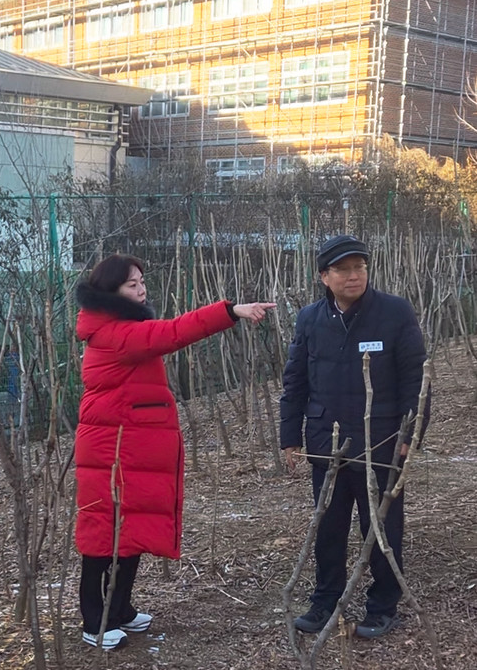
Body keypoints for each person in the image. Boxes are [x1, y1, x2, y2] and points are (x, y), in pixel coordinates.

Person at [75, 254, 274, 648]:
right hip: (110, 449)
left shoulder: (122, 327)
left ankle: (120, 610)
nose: (141, 289)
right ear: (111, 292)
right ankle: (94, 621)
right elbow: (174, 332)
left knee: (129, 528)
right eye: (132, 284)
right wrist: (230, 311)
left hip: (127, 445)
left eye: (142, 281)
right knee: (104, 535)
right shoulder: (117, 334)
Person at [280, 233, 428, 639]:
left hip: (380, 441)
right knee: (327, 526)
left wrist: (409, 434)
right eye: (343, 269)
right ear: (324, 276)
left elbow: (415, 379)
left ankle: (383, 605)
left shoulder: (394, 312)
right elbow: (295, 380)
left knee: (380, 528)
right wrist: (290, 435)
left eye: (359, 267)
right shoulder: (310, 319)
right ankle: (325, 600)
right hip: (326, 442)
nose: (354, 275)